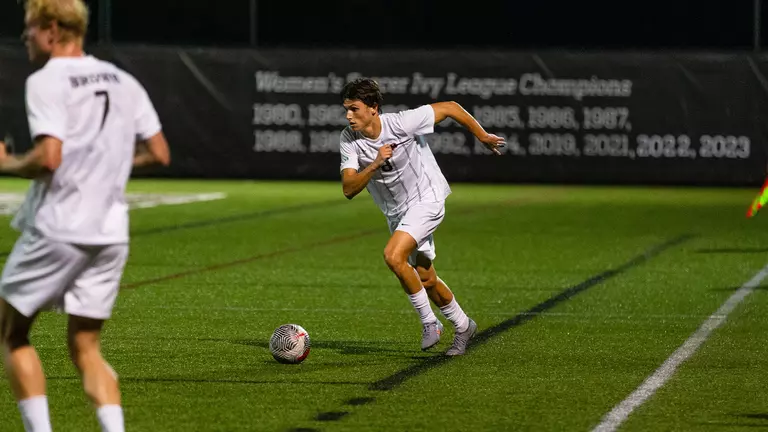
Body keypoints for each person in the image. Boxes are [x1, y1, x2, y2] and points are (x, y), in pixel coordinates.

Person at [0, 1, 170, 431]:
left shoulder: (46, 80)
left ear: (52, 29)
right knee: (85, 346)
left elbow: (49, 156)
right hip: (110, 234)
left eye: (29, 28)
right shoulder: (124, 80)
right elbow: (159, 152)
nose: (25, 37)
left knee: (11, 334)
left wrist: (7, 163)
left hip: (59, 226)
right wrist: (105, 164)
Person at [338, 78, 505, 356]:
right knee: (426, 278)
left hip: (427, 199)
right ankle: (464, 326)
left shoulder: (402, 123)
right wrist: (376, 163)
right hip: (397, 213)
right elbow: (348, 188)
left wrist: (482, 135)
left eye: (354, 109)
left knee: (393, 256)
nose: (348, 116)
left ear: (373, 108)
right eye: (346, 109)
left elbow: (450, 107)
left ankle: (430, 322)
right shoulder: (349, 139)